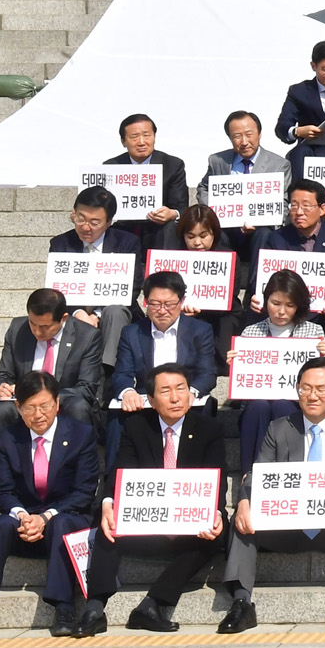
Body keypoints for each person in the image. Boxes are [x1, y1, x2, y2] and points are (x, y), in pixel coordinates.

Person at [218, 357, 325, 634]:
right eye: (306, 388)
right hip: (286, 524)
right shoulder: (279, 427)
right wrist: (243, 501)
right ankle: (241, 602)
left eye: (321, 389)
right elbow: (259, 472)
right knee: (241, 518)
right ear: (297, 390)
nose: (312, 396)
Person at [77, 363, 227, 635]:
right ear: (151, 399)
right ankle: (95, 608)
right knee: (106, 522)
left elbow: (218, 478)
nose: (175, 397)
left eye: (181, 389)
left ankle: (152, 604)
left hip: (188, 527)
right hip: (149, 523)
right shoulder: (137, 427)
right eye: (166, 391)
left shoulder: (209, 429)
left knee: (218, 531)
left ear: (190, 394)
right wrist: (109, 503)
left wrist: (215, 513)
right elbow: (121, 471)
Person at [0, 372, 100, 640]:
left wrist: (45, 517)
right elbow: (1, 490)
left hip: (65, 518)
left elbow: (84, 492)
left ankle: (64, 608)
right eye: (30, 407)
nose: (38, 414)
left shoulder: (80, 434)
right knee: (0, 526)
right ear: (18, 407)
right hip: (25, 522)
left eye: (45, 405)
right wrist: (23, 516)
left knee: (62, 522)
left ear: (57, 403)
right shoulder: (8, 437)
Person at [0, 289, 103, 481]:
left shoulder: (87, 336)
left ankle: (82, 481)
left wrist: (45, 398)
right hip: (24, 403)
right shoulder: (18, 328)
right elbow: (4, 374)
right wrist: (3, 386)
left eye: (45, 327)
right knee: (0, 411)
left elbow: (86, 387)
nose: (37, 331)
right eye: (33, 324)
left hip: (63, 400)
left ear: (63, 318)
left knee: (79, 407)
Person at [109, 273, 219, 460]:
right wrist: (127, 392)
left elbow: (207, 373)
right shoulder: (132, 332)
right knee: (117, 415)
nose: (161, 310)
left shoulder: (200, 330)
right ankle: (114, 475)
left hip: (184, 397)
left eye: (168, 304)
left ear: (181, 301)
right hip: (148, 398)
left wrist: (190, 392)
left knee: (203, 412)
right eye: (155, 304)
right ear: (145, 302)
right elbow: (122, 372)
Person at [227, 269, 325, 471]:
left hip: (295, 404)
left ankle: (284, 471)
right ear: (266, 301)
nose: (281, 311)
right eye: (275, 303)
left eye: (289, 305)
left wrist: (323, 358)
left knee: (283, 405)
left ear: (298, 306)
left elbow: (320, 378)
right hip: (256, 405)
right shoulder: (251, 332)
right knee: (258, 406)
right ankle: (251, 473)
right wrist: (235, 364)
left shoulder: (314, 332)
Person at [48, 184, 144, 369]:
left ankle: (107, 372)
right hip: (73, 312)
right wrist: (78, 312)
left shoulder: (126, 243)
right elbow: (56, 288)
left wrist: (97, 315)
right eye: (80, 218)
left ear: (109, 222)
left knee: (114, 311)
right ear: (73, 214)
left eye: (94, 222)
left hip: (113, 312)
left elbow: (132, 288)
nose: (85, 227)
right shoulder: (61, 244)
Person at [263, 179, 325, 353]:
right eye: (294, 206)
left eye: (306, 206)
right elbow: (265, 276)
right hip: (288, 303)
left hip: (323, 306)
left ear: (322, 209)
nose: (299, 212)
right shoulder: (277, 238)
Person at [104, 112, 190, 246]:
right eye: (134, 137)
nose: (142, 142)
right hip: (124, 226)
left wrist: (172, 213)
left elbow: (181, 206)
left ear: (154, 137)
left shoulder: (172, 165)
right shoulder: (111, 167)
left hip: (160, 227)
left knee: (170, 228)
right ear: (123, 141)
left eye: (146, 135)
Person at [170, 204, 239, 352]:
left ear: (214, 234)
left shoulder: (228, 257)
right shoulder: (173, 258)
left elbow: (231, 294)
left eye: (203, 236)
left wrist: (202, 309)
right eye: (190, 237)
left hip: (221, 315)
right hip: (181, 312)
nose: (197, 243)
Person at [196, 109, 289, 202]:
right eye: (237, 136)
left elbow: (283, 201)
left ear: (259, 134)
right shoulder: (218, 161)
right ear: (230, 137)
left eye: (249, 135)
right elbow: (204, 189)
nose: (244, 142)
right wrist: (213, 209)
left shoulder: (279, 166)